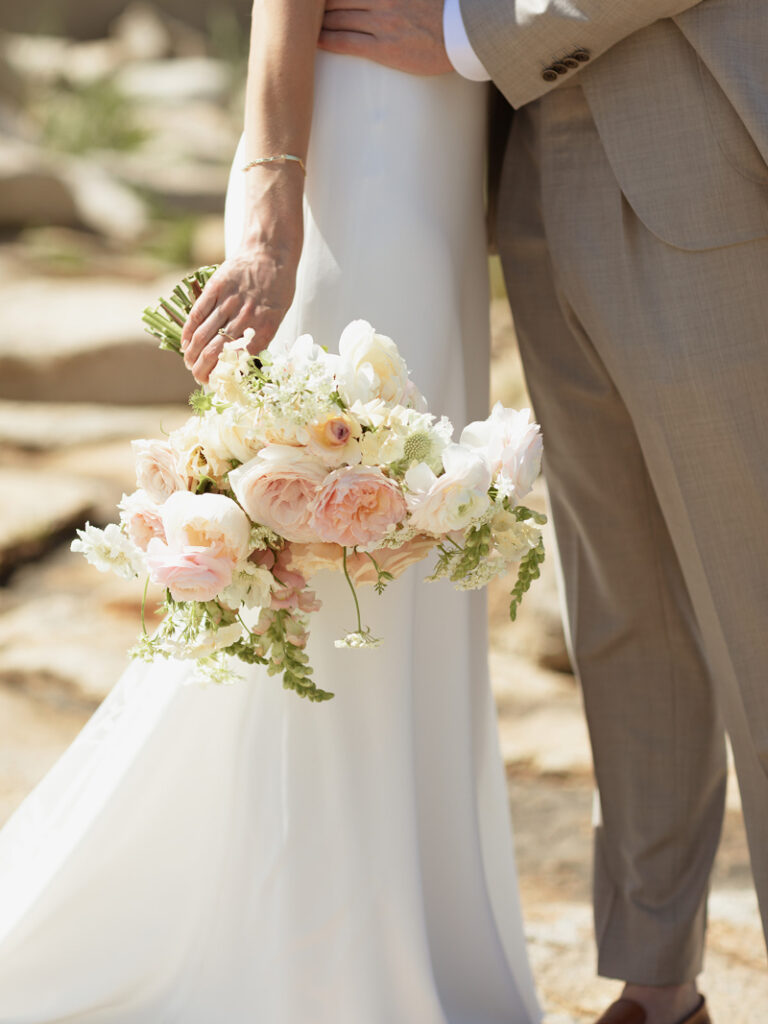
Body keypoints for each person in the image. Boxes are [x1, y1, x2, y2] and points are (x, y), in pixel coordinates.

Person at [0, 2, 541, 1022]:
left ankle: (404, 921)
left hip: (433, 158)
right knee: (330, 544)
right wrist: (266, 212)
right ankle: (318, 954)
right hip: (363, 162)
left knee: (405, 536)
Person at [318, 1, 768, 1023]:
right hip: (535, 164)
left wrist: (478, 36)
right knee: (624, 610)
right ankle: (657, 982)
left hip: (707, 142)